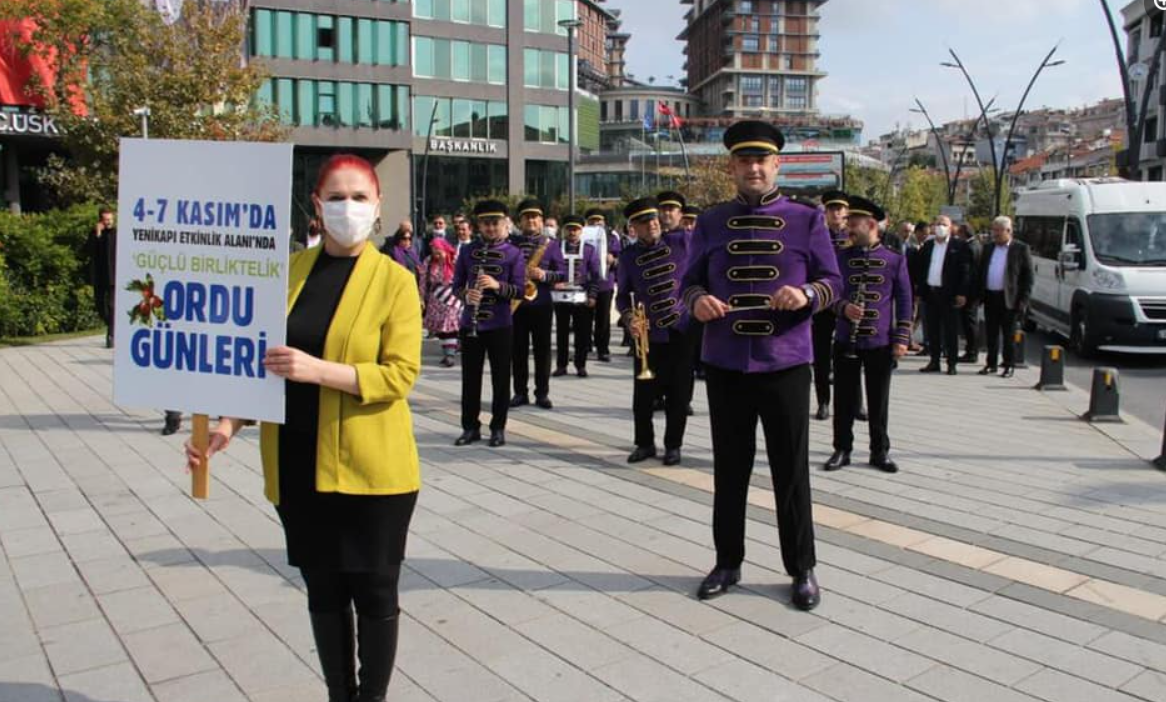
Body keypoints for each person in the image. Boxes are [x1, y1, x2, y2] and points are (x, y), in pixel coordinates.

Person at [184, 154, 421, 702]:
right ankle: (340, 695)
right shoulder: (284, 274)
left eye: (359, 198)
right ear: (316, 205)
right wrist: (225, 426)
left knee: (375, 591)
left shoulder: (395, 282)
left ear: (378, 206)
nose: (347, 208)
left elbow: (400, 375)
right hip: (297, 464)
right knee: (324, 591)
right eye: (335, 197)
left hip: (372, 473)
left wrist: (319, 371)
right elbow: (256, 367)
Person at [682, 121, 841, 610]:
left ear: (777, 165)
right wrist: (699, 301)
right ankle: (727, 561)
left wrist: (807, 293)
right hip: (726, 362)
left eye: (762, 160)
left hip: (787, 362)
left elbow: (834, 280)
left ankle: (802, 568)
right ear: (731, 166)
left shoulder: (806, 218)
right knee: (730, 469)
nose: (753, 168)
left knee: (791, 471)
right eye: (743, 161)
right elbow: (686, 284)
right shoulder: (709, 221)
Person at [824, 196, 913, 474]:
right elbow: (830, 295)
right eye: (847, 221)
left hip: (880, 341)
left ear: (871, 224)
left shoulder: (894, 260)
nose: (848, 227)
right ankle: (842, 448)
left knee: (878, 399)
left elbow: (906, 300)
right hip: (845, 339)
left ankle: (879, 451)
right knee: (844, 398)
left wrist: (901, 338)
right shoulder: (840, 257)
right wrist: (843, 308)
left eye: (854, 222)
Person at [616, 197, 694, 467]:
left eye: (653, 219)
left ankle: (674, 445)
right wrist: (629, 319)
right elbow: (622, 297)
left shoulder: (682, 242)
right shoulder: (628, 257)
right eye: (643, 221)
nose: (651, 224)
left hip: (681, 330)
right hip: (649, 335)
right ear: (633, 226)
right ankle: (645, 443)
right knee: (643, 395)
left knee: (679, 394)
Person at [453, 199, 525, 448]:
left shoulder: (514, 253)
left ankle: (498, 428)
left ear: (505, 223)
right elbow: (456, 286)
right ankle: (470, 427)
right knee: (470, 379)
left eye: (495, 223)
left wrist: (496, 286)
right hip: (470, 323)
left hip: (500, 324)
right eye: (486, 223)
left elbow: (520, 291)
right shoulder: (466, 251)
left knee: (501, 378)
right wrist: (466, 294)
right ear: (479, 225)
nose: (491, 227)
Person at [509, 198, 566, 409]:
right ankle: (520, 392)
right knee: (518, 351)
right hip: (516, 304)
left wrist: (544, 274)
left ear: (542, 221)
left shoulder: (551, 245)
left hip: (541, 304)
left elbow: (561, 273)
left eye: (535, 217)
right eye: (527, 217)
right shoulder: (511, 244)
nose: (531, 220)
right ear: (520, 221)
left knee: (542, 351)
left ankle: (542, 393)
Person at [914, 214, 972, 375]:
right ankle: (934, 361)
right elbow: (921, 269)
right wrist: (919, 291)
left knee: (950, 330)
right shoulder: (928, 245)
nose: (940, 227)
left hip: (949, 295)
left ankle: (951, 363)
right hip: (931, 293)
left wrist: (962, 293)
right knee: (932, 330)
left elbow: (965, 272)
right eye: (938, 223)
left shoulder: (959, 246)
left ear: (951, 227)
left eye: (944, 224)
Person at [811, 190, 851, 421]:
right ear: (825, 212)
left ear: (846, 212)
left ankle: (855, 402)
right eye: (831, 209)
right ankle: (823, 401)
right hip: (824, 303)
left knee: (850, 353)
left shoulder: (853, 236)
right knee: (821, 355)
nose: (836, 213)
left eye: (840, 208)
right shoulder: (818, 236)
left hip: (846, 302)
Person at [980, 216, 1034, 378]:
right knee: (991, 333)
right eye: (993, 230)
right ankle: (991, 364)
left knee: (1009, 334)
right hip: (990, 295)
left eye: (998, 230)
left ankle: (1009, 364)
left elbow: (1028, 278)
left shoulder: (1020, 249)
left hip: (1009, 298)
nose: (995, 234)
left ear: (1008, 231)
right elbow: (982, 270)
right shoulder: (989, 248)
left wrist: (1023, 301)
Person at [553, 215, 601, 378]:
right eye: (569, 229)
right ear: (564, 230)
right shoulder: (556, 247)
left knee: (583, 332)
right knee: (561, 333)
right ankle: (561, 364)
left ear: (581, 231)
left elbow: (595, 275)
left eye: (576, 229)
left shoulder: (589, 249)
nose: (572, 232)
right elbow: (549, 270)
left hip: (582, 297)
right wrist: (553, 283)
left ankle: (581, 365)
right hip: (560, 297)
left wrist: (593, 295)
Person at [420, 238, 463, 367]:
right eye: (434, 251)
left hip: (451, 297)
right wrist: (421, 296)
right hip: (435, 299)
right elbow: (423, 279)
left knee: (449, 326)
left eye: (439, 251)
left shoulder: (454, 260)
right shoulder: (428, 262)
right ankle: (447, 352)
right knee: (441, 329)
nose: (436, 254)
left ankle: (450, 354)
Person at [88, 207, 117, 349]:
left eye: (111, 219)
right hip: (100, 275)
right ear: (100, 220)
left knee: (112, 305)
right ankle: (113, 325)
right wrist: (98, 234)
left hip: (114, 275)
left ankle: (111, 335)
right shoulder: (95, 234)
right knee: (99, 305)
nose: (109, 222)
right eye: (106, 220)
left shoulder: (117, 234)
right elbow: (90, 251)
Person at [956, 223, 983, 364]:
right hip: (975, 291)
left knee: (969, 322)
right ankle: (972, 350)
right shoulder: (978, 245)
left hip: (969, 292)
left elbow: (966, 272)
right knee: (972, 321)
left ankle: (971, 352)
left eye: (959, 233)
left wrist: (962, 293)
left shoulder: (967, 247)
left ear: (963, 233)